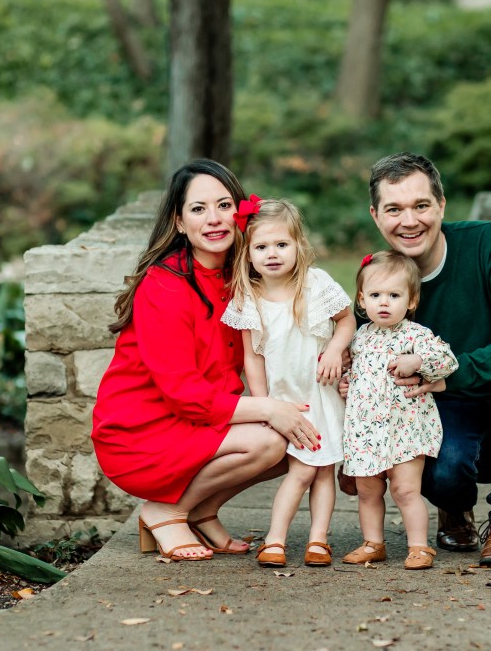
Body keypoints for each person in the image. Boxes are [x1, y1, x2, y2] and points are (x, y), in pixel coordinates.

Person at [91, 159, 321, 562]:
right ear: (179, 222)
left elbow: (291, 337)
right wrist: (269, 408)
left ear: (241, 214)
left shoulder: (244, 276)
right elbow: (184, 393)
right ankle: (166, 511)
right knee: (272, 439)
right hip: (142, 429)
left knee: (304, 436)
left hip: (197, 418)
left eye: (224, 205)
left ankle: (201, 510)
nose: (214, 219)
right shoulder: (165, 285)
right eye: (198, 209)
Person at [363, 152, 491, 567]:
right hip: (442, 418)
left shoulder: (489, 244)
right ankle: (454, 506)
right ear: (376, 216)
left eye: (421, 205)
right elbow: (364, 362)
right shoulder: (381, 282)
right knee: (445, 471)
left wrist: (454, 372)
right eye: (394, 209)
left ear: (441, 205)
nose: (409, 221)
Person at [222, 197, 355, 568]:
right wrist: (263, 404)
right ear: (248, 254)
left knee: (321, 469)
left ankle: (316, 540)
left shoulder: (316, 284)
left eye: (282, 244)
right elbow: (252, 357)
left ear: (299, 245)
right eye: (261, 247)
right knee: (302, 471)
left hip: (321, 394)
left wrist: (335, 351)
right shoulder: (249, 298)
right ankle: (277, 539)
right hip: (286, 400)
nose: (272, 254)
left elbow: (346, 321)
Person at [341, 251, 459, 571]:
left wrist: (418, 361)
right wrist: (345, 384)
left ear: (411, 300)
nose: (384, 302)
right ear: (362, 300)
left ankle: (419, 546)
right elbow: (353, 372)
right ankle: (373, 543)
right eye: (375, 295)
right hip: (366, 431)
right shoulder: (358, 338)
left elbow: (447, 361)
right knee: (367, 492)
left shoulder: (416, 335)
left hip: (405, 429)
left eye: (394, 296)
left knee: (405, 490)